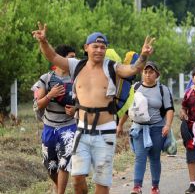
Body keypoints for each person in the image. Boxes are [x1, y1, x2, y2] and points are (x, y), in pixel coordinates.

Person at [32, 22, 155, 194]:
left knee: (102, 184)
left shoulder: (112, 67)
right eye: (95, 46)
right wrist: (43, 41)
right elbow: (52, 57)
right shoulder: (76, 66)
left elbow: (133, 69)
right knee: (77, 179)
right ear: (86, 47)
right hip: (81, 131)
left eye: (102, 47)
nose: (99, 50)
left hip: (105, 132)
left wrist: (143, 56)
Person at [117, 61, 174, 194]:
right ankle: (137, 187)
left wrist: (168, 125)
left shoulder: (162, 89)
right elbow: (128, 109)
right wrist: (120, 125)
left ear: (157, 74)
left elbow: (169, 109)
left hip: (157, 128)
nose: (148, 75)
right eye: (145, 72)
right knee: (140, 157)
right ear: (142, 73)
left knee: (154, 157)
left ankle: (155, 186)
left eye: (151, 72)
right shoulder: (135, 87)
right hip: (138, 129)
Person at [32, 44, 77, 194]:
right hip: (49, 127)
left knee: (65, 163)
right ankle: (57, 186)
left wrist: (76, 110)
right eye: (71, 57)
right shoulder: (46, 79)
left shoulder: (76, 79)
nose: (74, 61)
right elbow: (37, 104)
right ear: (60, 58)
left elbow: (85, 102)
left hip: (69, 126)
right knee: (51, 166)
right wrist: (50, 95)